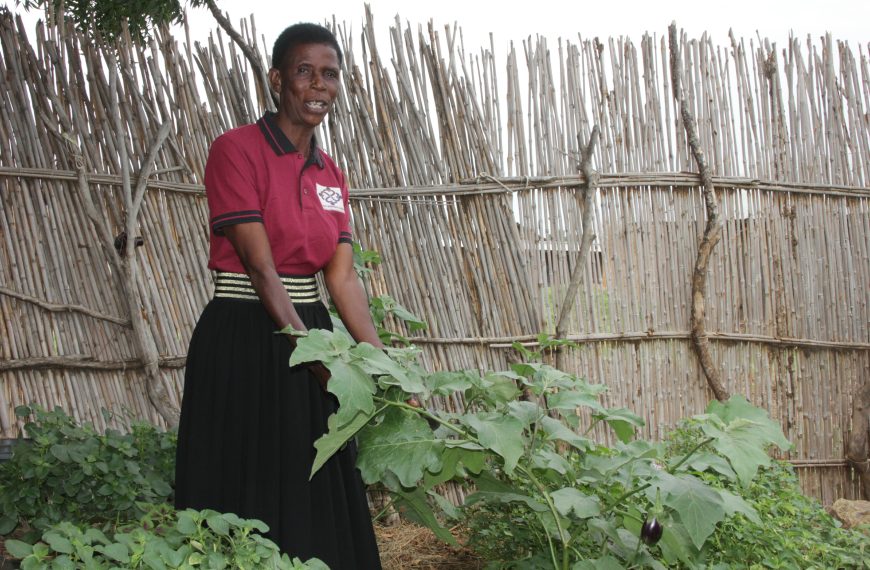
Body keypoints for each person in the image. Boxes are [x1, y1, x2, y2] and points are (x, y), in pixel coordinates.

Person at [174, 23, 382, 569]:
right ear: (277, 79)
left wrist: (381, 366)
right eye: (304, 71)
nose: (319, 84)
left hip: (308, 331)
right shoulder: (235, 150)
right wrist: (320, 363)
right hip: (244, 332)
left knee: (308, 476)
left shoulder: (330, 172)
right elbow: (262, 270)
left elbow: (342, 280)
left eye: (330, 74)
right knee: (243, 476)